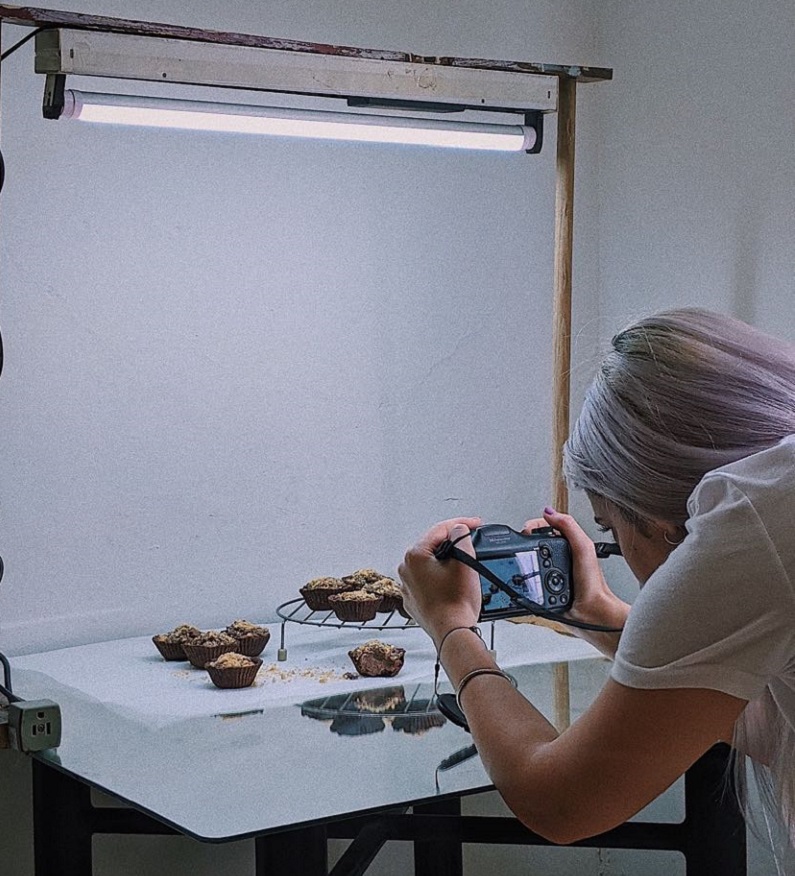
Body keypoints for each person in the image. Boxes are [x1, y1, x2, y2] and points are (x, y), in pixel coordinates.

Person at [398, 307, 795, 849]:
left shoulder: (752, 516)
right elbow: (767, 722)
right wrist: (595, 614)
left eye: (609, 527)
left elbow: (560, 801)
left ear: (665, 523)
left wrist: (450, 629)